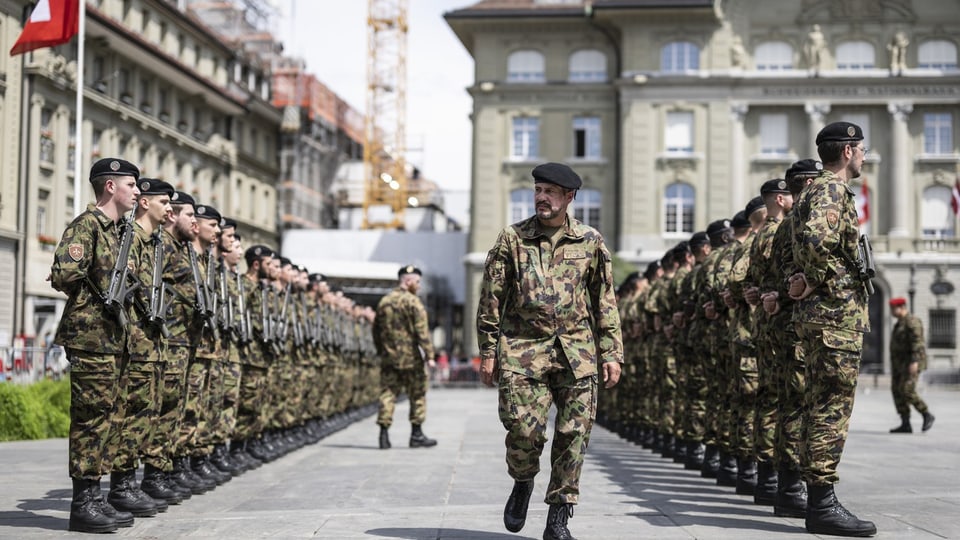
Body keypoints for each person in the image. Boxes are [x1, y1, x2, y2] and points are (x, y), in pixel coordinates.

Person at [476, 162, 622, 540]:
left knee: (574, 434)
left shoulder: (590, 241)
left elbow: (604, 300)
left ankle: (559, 514)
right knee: (524, 431)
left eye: (550, 191)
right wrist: (488, 350)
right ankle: (523, 480)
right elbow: (491, 299)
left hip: (577, 353)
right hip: (522, 350)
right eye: (538, 190)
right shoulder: (512, 239)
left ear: (569, 197)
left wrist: (612, 352)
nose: (541, 197)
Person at [788, 121, 877, 537]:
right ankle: (822, 504)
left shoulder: (815, 191)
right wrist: (826, 281)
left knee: (819, 404)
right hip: (833, 318)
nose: (863, 156)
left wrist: (807, 278)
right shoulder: (831, 190)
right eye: (861, 149)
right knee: (830, 408)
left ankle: (817, 499)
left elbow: (799, 245)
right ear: (847, 152)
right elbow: (815, 242)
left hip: (823, 318)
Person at [50, 157, 141, 533]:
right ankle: (82, 502)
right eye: (132, 185)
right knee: (91, 420)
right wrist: (98, 291)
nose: (137, 192)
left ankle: (97, 497)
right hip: (90, 337)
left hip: (114, 339)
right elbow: (63, 272)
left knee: (110, 417)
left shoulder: (120, 232)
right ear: (110, 187)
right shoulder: (87, 226)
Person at [372, 265, 438, 449]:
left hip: (389, 358)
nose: (418, 286)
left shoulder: (384, 302)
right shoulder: (413, 302)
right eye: (417, 282)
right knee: (417, 394)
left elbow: (376, 331)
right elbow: (422, 332)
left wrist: (381, 350)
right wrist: (430, 356)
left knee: (387, 394)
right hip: (411, 359)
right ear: (408, 281)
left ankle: (383, 435)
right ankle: (416, 435)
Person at [888, 297, 935, 433]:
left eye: (893, 308)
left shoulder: (912, 321)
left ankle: (926, 414)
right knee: (897, 390)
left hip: (911, 363)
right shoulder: (900, 323)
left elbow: (918, 343)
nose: (891, 311)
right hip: (899, 365)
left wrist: (914, 361)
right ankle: (905, 423)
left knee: (907, 389)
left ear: (901, 307)